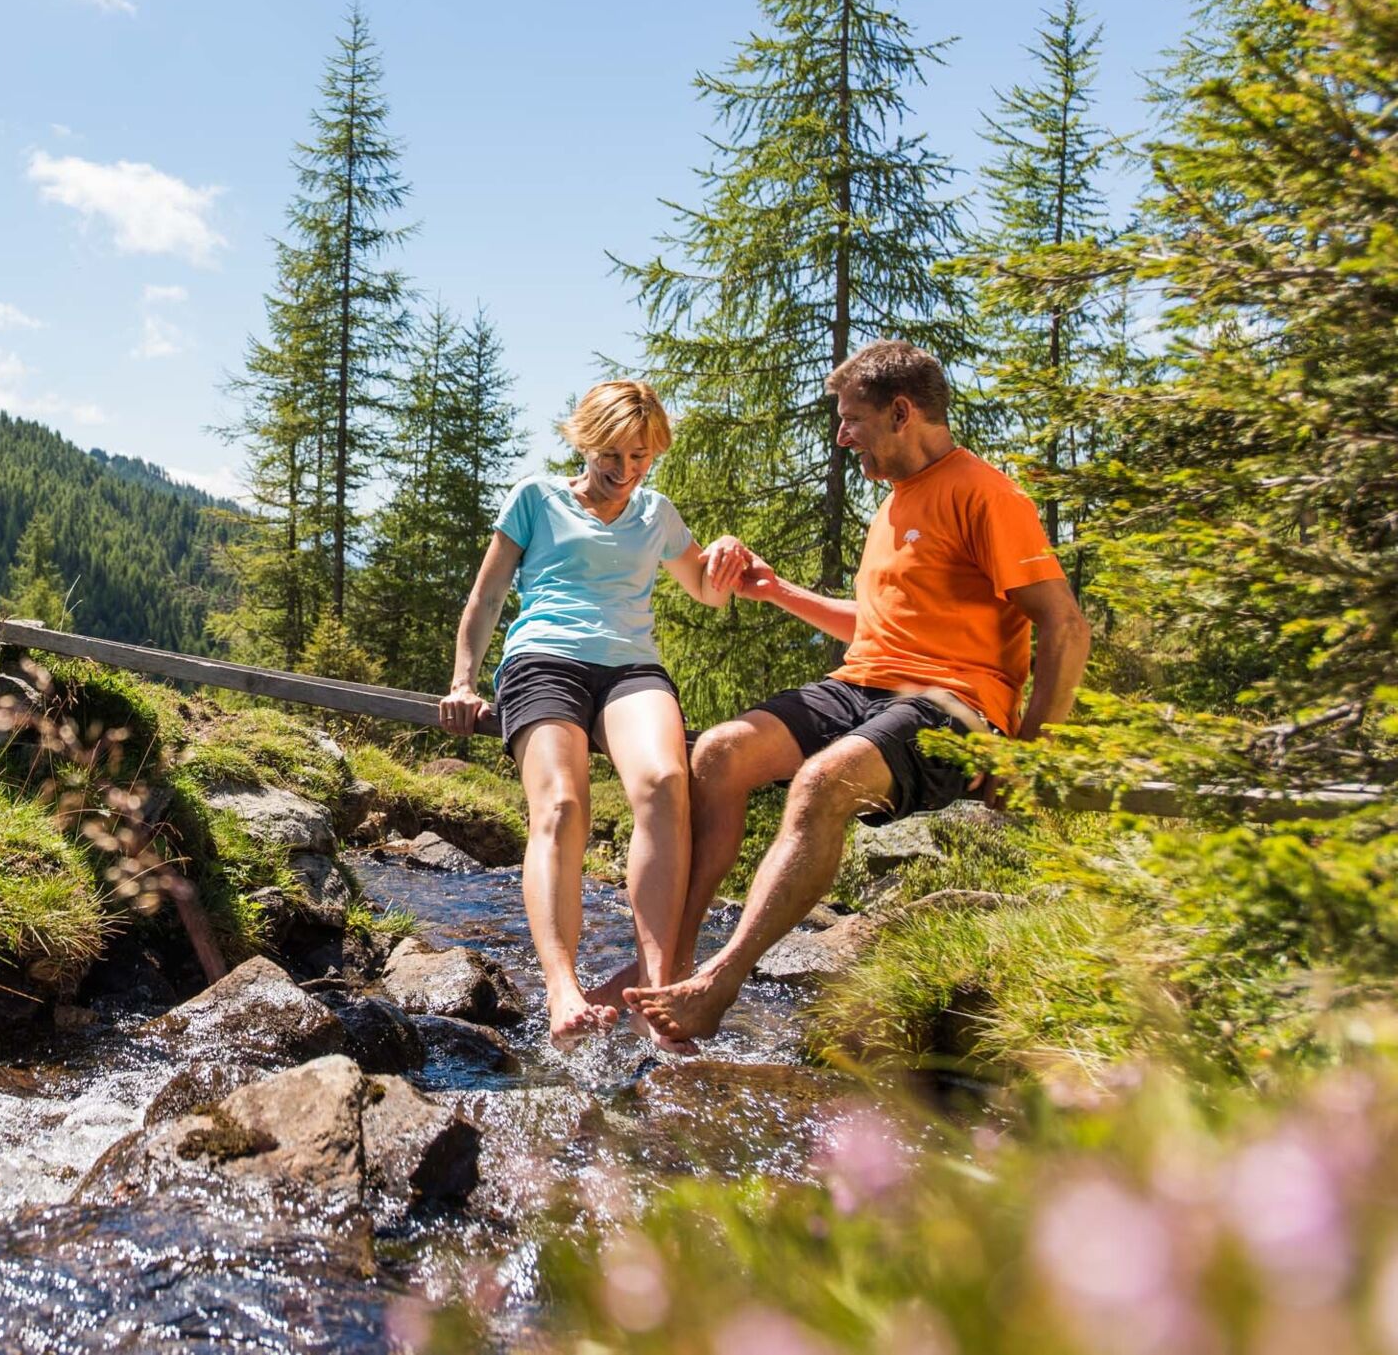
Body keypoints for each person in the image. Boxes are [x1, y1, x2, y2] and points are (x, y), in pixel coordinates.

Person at [625, 340, 1093, 1043]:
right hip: (865, 685)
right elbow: (873, 627)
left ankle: (718, 984)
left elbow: (1065, 626)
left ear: (901, 412)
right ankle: (675, 964)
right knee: (718, 752)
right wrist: (777, 591)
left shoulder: (987, 493)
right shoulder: (894, 504)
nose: (842, 436)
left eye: (851, 420)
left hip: (953, 705)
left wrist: (1031, 756)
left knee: (821, 782)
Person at [438, 380, 731, 1051]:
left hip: (631, 668)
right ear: (586, 438)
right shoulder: (535, 498)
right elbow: (484, 602)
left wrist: (731, 555)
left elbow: (708, 591)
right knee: (564, 806)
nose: (627, 471)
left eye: (643, 457)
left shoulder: (657, 513)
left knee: (664, 783)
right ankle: (563, 989)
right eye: (615, 453)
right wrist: (463, 680)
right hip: (543, 659)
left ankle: (655, 989)